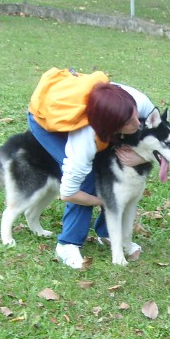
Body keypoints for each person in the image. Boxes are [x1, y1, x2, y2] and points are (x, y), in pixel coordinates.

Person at [27, 73, 157, 269]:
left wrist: (143, 156)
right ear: (112, 129)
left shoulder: (138, 103)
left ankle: (106, 233)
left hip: (94, 114)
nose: (138, 124)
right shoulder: (84, 140)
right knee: (87, 180)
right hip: (45, 118)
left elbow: (162, 135)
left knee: (115, 164)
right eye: (130, 123)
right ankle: (67, 243)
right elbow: (69, 193)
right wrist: (107, 201)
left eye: (135, 115)